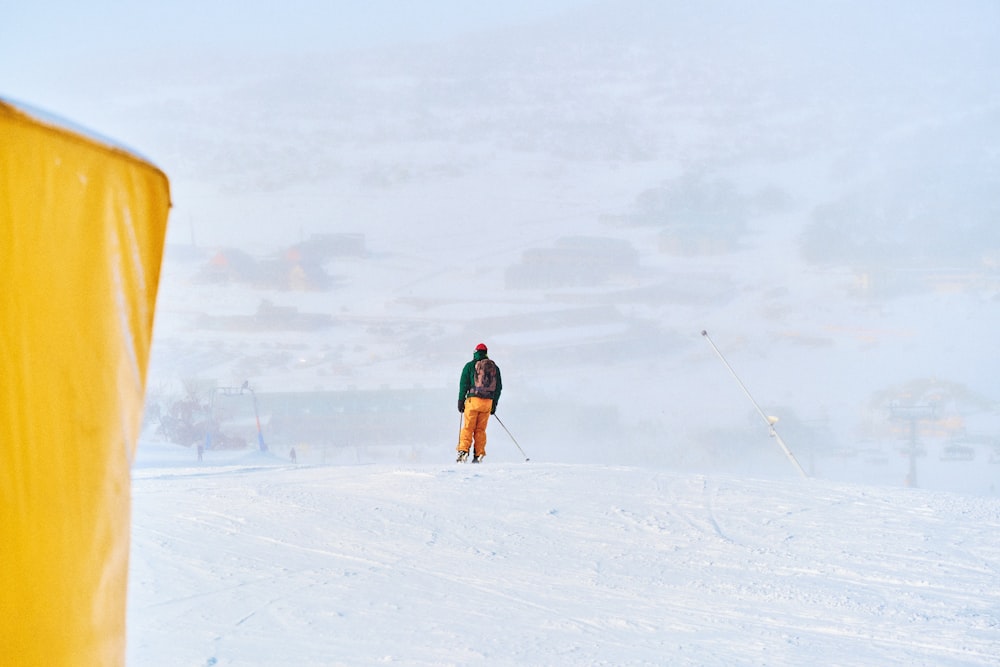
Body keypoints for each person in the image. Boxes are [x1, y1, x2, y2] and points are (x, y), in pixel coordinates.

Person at [456, 343, 502, 463]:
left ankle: (463, 451)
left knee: (468, 427)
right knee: (480, 429)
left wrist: (461, 401)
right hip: (487, 402)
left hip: (473, 401)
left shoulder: (470, 366)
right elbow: (498, 388)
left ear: (475, 352)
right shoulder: (494, 368)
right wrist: (494, 404)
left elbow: (463, 384)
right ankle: (479, 453)